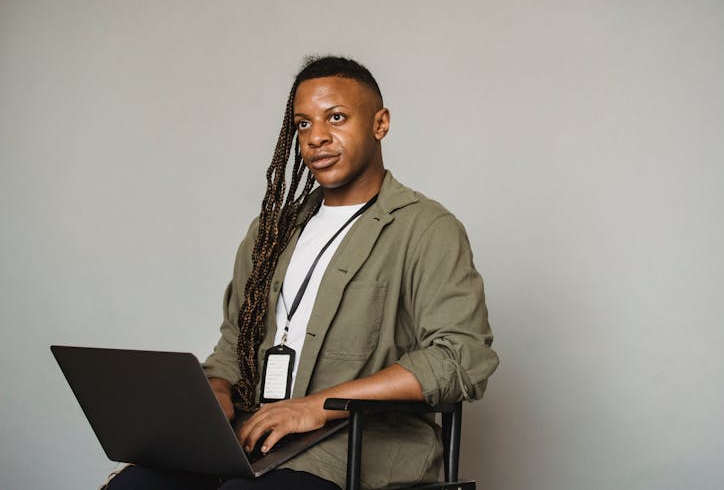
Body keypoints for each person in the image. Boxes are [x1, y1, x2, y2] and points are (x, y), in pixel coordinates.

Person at [105, 56, 498, 490]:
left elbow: (459, 357)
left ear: (380, 123)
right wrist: (215, 392)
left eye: (336, 117)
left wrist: (317, 406)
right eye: (303, 124)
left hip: (355, 448)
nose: (317, 138)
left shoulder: (425, 228)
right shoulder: (271, 231)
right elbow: (234, 343)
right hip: (259, 436)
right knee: (133, 486)